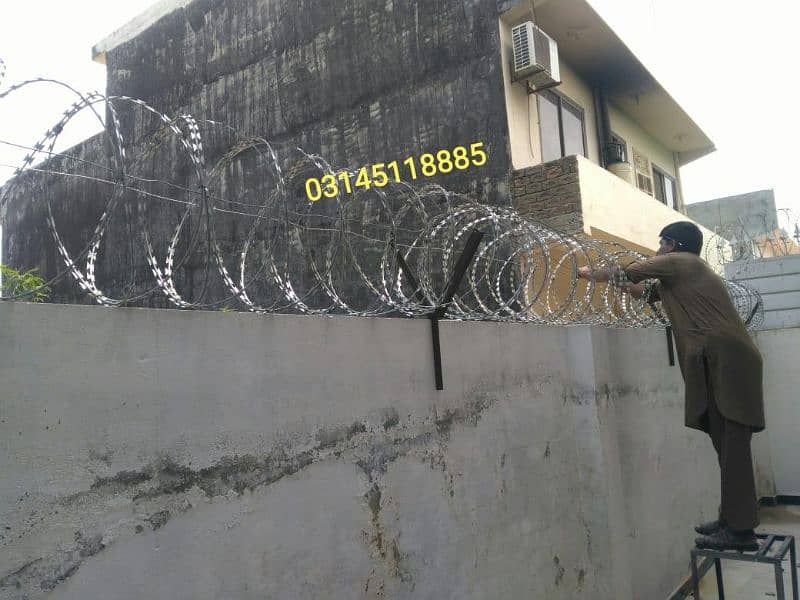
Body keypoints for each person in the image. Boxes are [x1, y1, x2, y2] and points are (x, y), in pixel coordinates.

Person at [577, 221, 765, 552]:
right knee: (726, 445)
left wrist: (586, 271)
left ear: (673, 244)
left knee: (733, 445)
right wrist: (616, 281)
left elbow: (627, 271)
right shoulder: (677, 278)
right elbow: (640, 290)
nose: (658, 248)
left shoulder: (683, 263)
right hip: (723, 360)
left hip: (729, 361)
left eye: (661, 242)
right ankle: (732, 520)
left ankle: (741, 532)